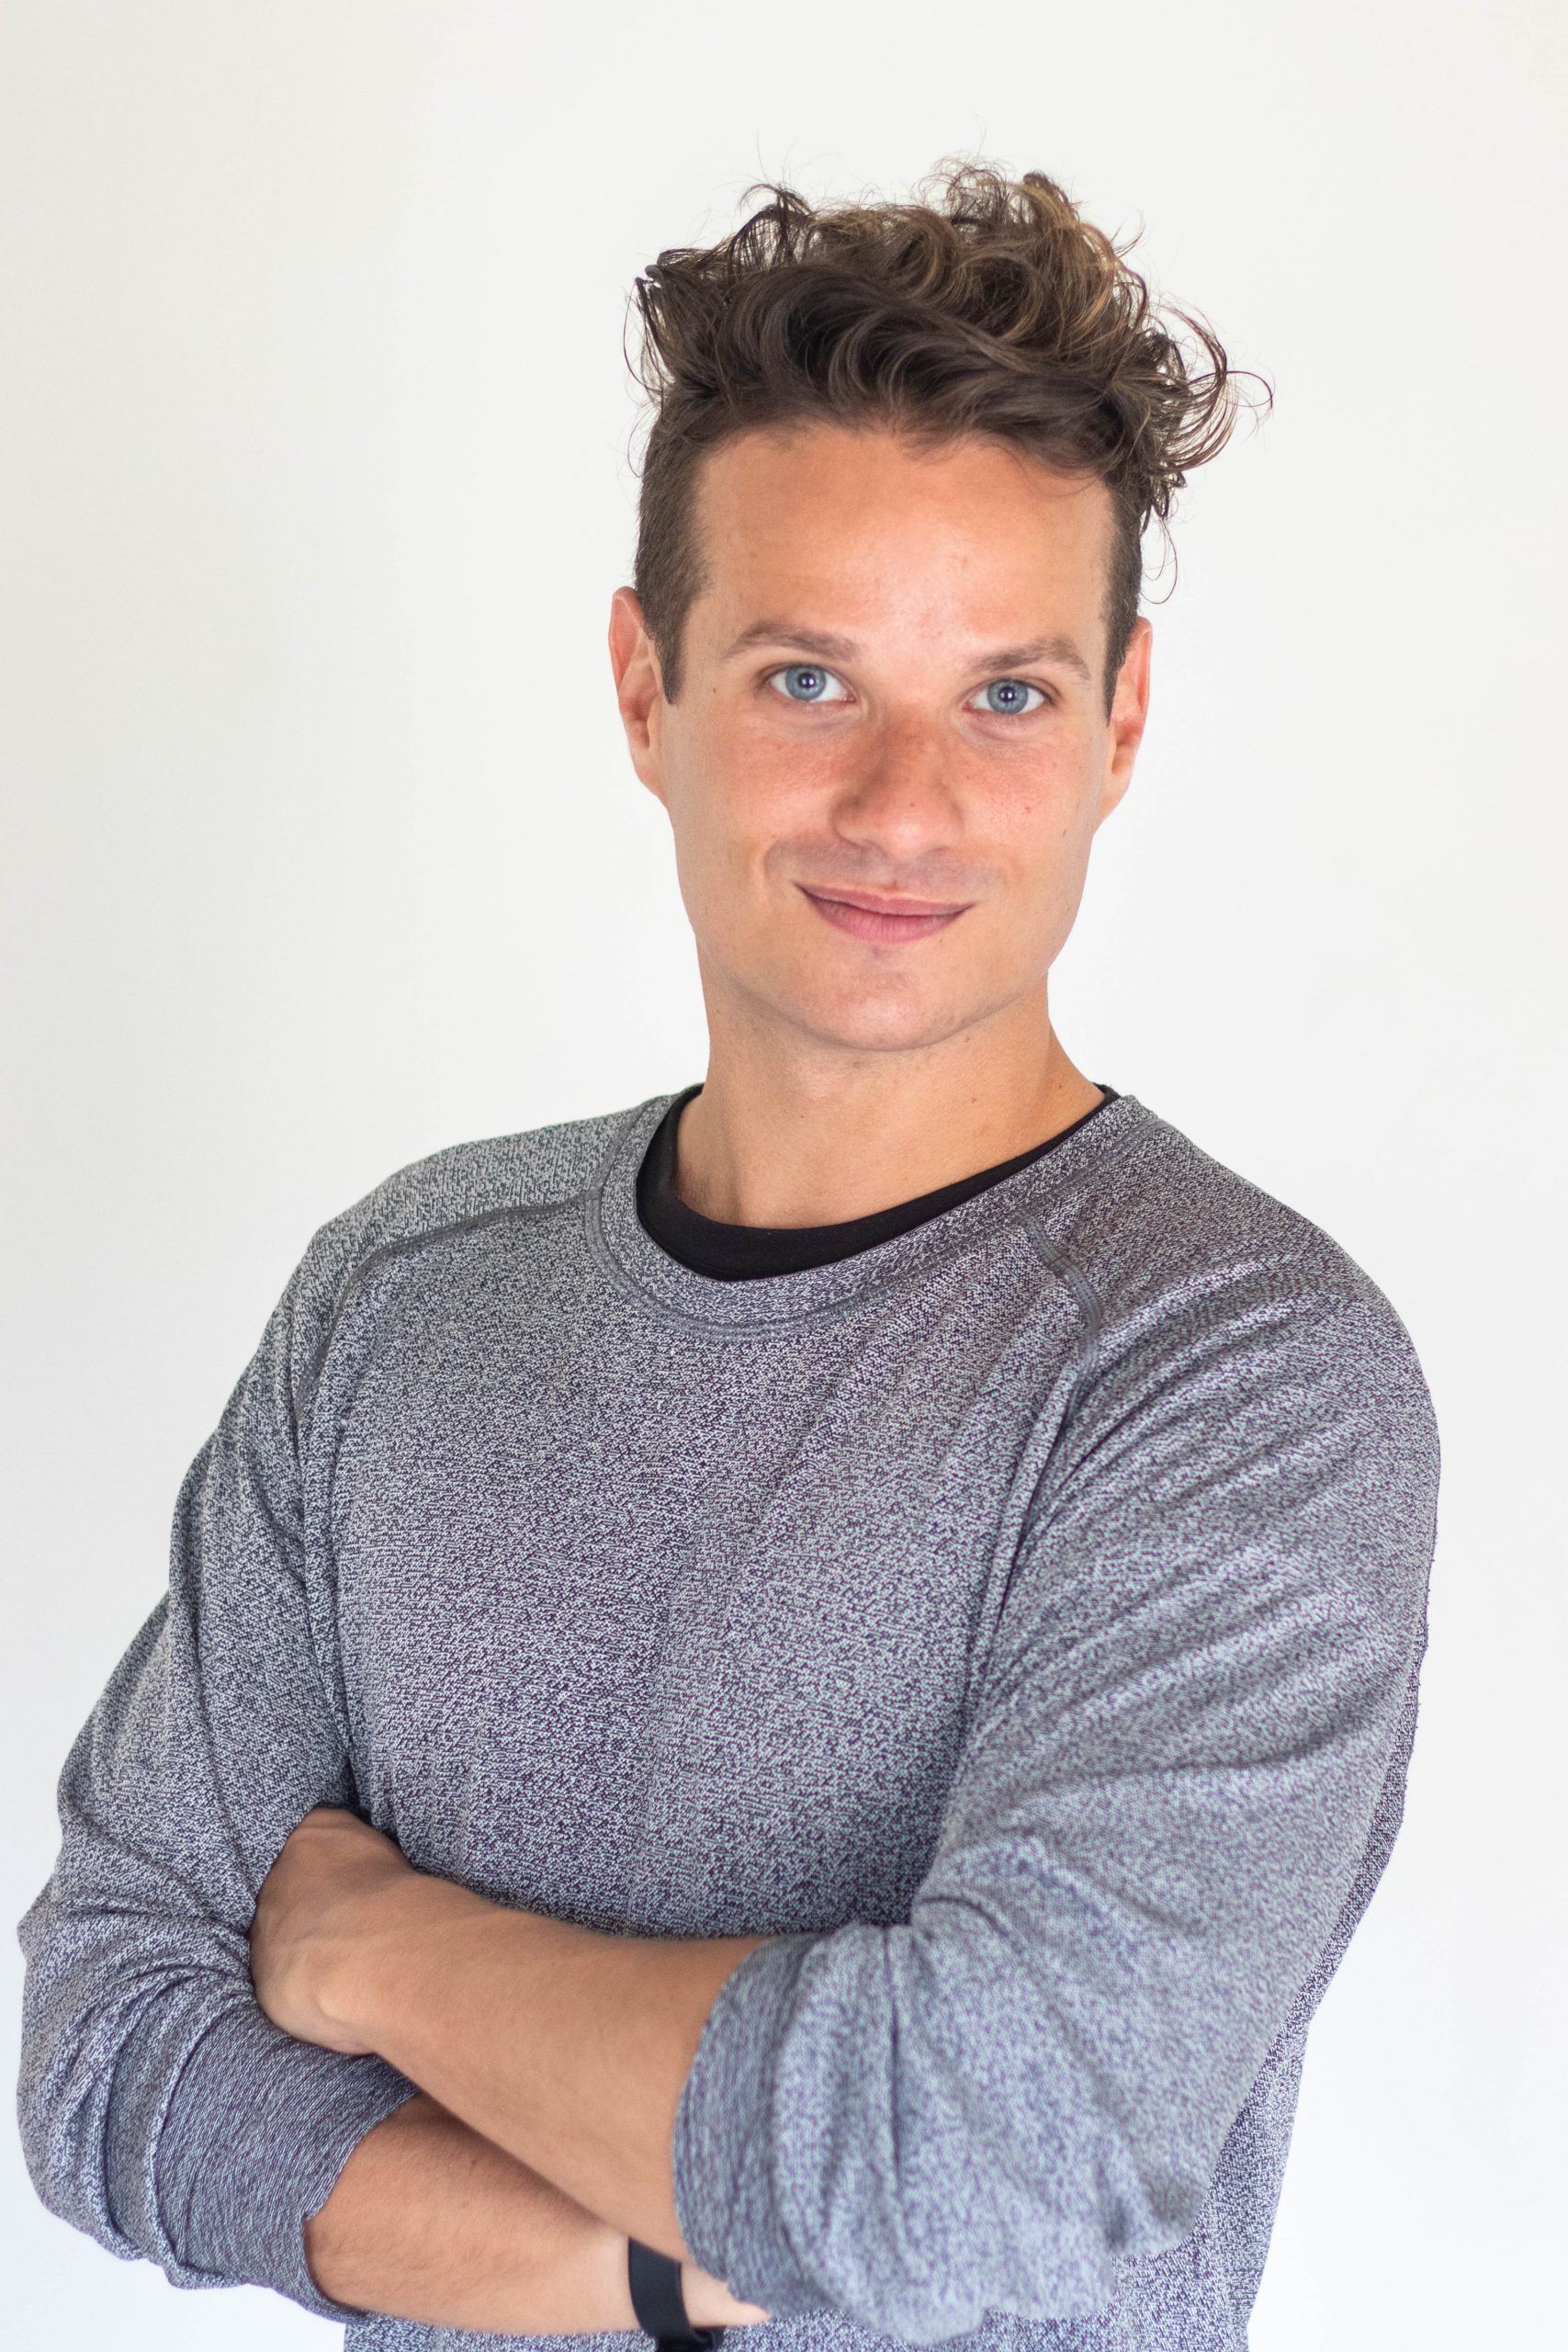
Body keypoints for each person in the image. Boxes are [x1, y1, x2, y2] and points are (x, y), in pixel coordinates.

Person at [17, 164, 1439, 2352]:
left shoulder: (1230, 1371)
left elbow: (983, 2158)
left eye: (1004, 694)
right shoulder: (404, 1295)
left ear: (1120, 724)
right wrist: (672, 2266)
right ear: (641, 684)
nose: (901, 803)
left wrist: (375, 1947)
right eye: (804, 676)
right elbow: (106, 2049)